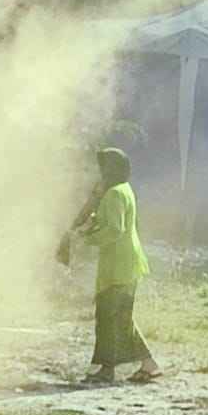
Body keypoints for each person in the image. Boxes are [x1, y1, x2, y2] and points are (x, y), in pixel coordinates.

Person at [62, 148, 160, 385]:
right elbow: (111, 221)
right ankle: (149, 364)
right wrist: (93, 224)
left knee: (107, 317)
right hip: (125, 264)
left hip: (119, 265)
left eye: (103, 168)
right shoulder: (122, 190)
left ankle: (107, 370)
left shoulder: (114, 193)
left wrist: (87, 238)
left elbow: (115, 229)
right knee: (121, 319)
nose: (100, 173)